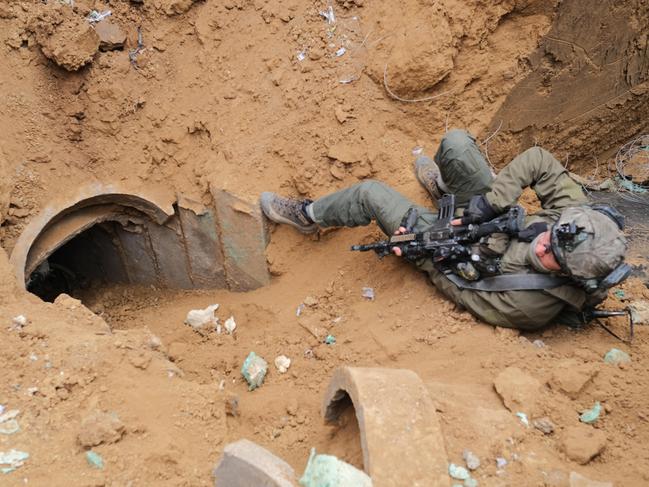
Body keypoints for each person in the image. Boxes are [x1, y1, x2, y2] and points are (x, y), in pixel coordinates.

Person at [259, 130, 628, 330]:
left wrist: (427, 252)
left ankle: (308, 215)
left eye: (552, 256)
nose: (545, 244)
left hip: (452, 247)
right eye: (551, 236)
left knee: (370, 194)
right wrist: (490, 204)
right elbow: (538, 161)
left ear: (569, 275)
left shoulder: (527, 303)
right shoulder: (579, 221)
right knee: (455, 144)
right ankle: (447, 194)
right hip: (482, 215)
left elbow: (462, 289)